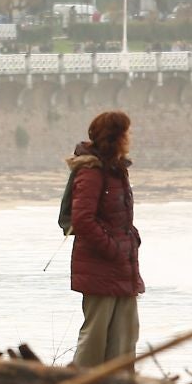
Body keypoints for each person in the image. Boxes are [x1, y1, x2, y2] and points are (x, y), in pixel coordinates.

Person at [67, 110, 142, 368]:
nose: (130, 136)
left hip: (122, 266)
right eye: (127, 132)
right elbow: (83, 220)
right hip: (101, 266)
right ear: (116, 136)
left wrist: (130, 241)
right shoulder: (92, 172)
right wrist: (114, 249)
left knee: (125, 338)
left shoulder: (116, 170)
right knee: (95, 340)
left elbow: (117, 220)